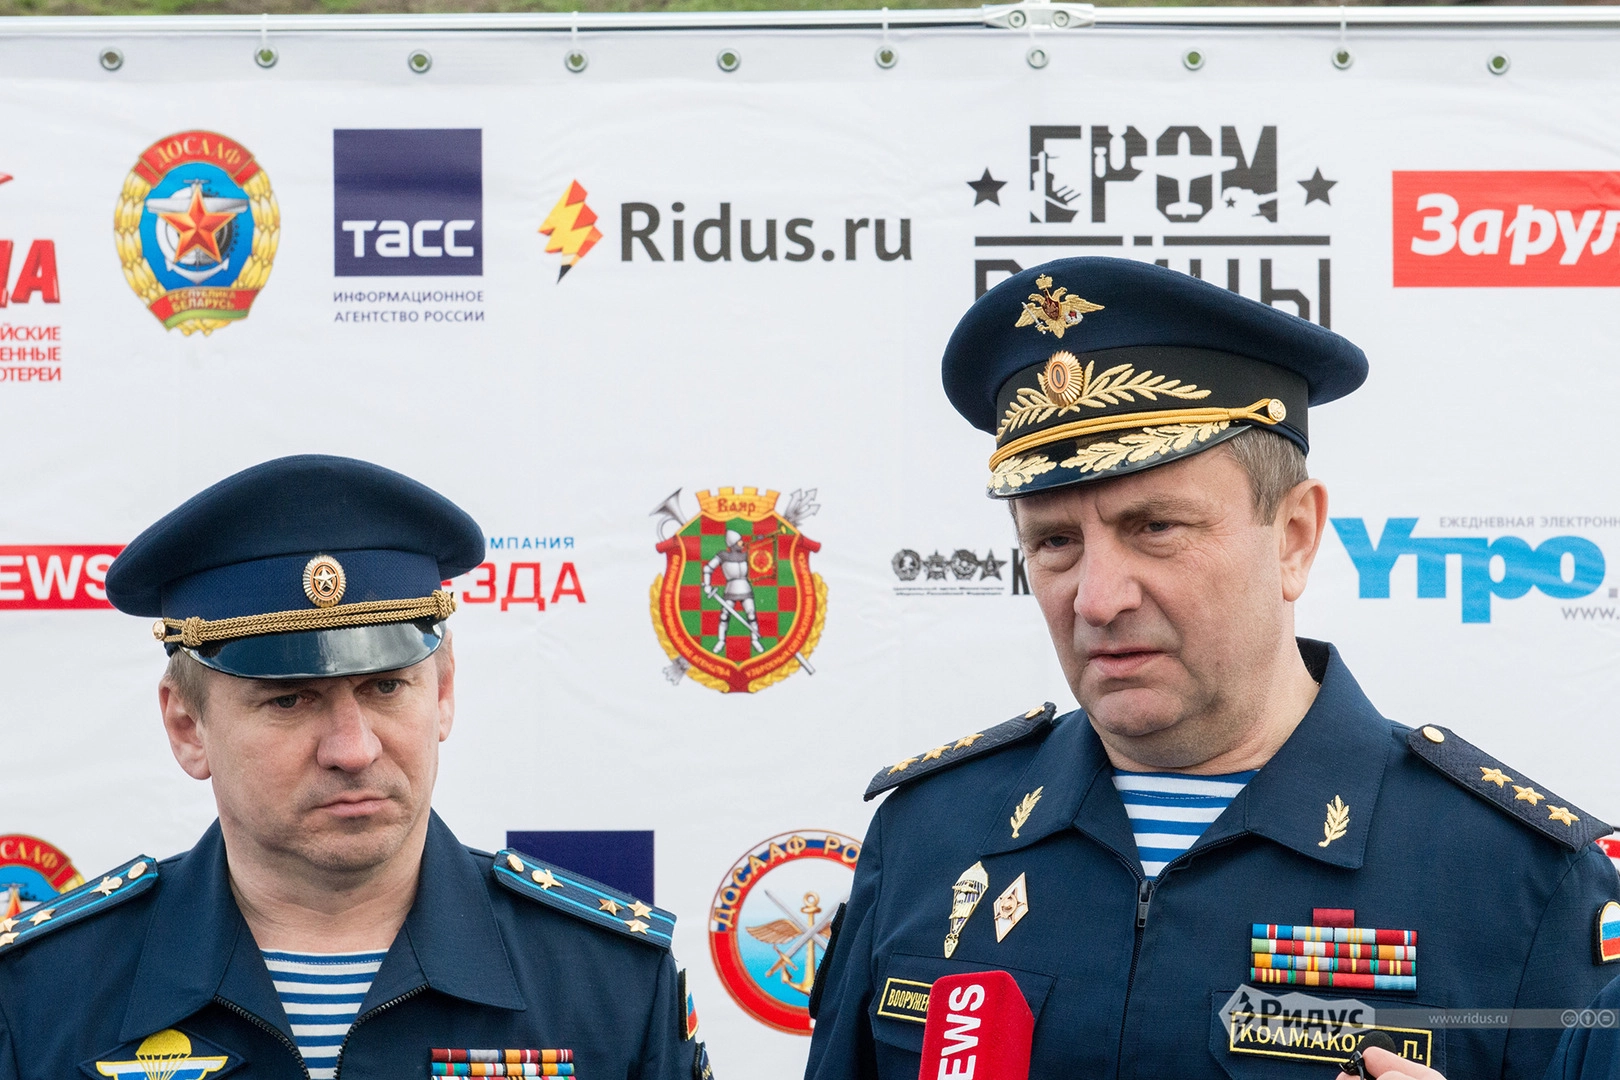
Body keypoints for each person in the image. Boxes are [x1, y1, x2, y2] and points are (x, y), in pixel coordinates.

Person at [803, 258, 1620, 1079]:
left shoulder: (1524, 882)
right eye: (1055, 541)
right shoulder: (926, 837)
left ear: (1294, 537)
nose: (1097, 599)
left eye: (1156, 527)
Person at [0, 455, 710, 1080]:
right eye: (289, 699)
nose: (353, 748)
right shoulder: (40, 996)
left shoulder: (609, 984)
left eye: (386, 687)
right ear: (188, 727)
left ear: (443, 693)